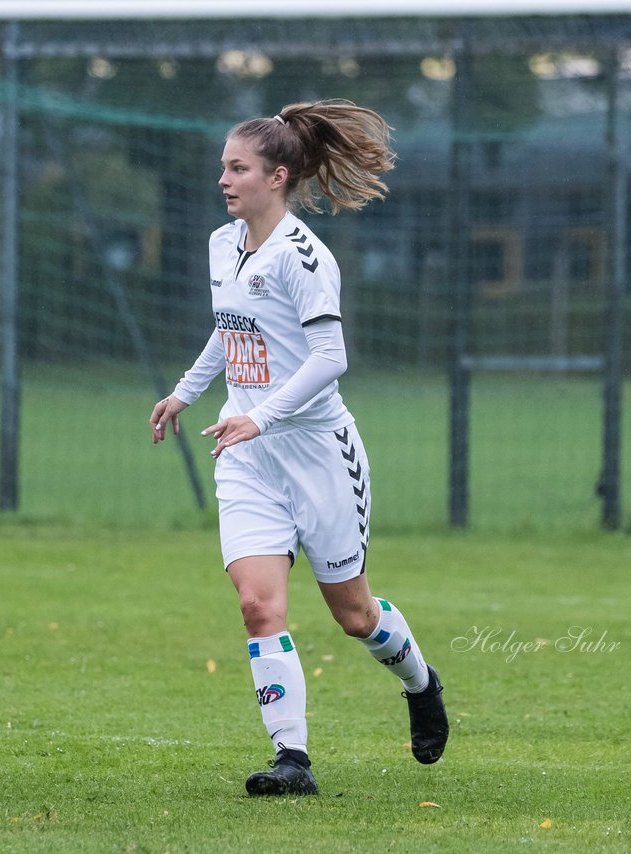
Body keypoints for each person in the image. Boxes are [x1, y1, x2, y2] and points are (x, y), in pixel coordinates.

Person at [149, 99, 448, 796]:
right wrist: (187, 391)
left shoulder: (304, 255)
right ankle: (293, 761)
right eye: (224, 167)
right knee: (259, 604)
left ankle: (421, 682)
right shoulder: (225, 244)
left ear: (277, 176)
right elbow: (231, 329)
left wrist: (265, 415)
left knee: (354, 615)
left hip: (317, 453)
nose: (224, 180)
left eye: (238, 168)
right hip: (248, 456)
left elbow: (329, 357)